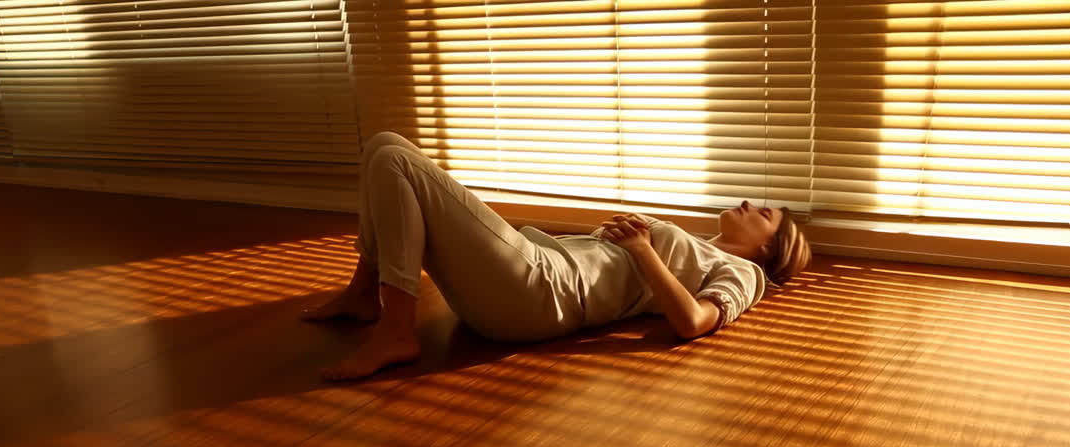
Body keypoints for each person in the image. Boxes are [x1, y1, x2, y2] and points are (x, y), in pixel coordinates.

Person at [303, 132, 811, 380]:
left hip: (540, 290)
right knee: (379, 153)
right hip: (531, 274)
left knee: (393, 155)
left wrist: (641, 250)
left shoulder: (745, 274)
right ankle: (363, 296)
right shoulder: (704, 247)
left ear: (770, 245)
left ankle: (395, 330)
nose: (748, 203)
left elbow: (695, 322)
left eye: (762, 211)